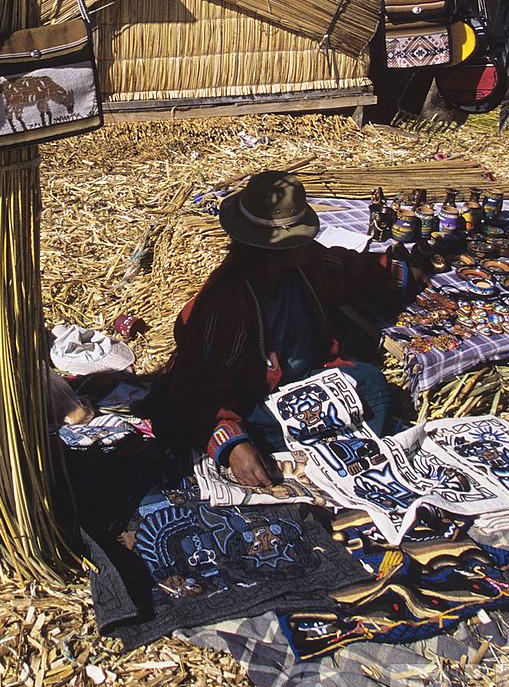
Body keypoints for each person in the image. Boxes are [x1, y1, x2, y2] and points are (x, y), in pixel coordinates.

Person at [157, 171, 402, 490]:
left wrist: (402, 270)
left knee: (370, 382)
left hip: (307, 380)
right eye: (297, 241)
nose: (308, 244)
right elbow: (197, 390)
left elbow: (348, 270)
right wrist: (232, 445)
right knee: (261, 433)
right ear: (268, 248)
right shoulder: (226, 305)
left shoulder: (304, 264)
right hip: (256, 401)